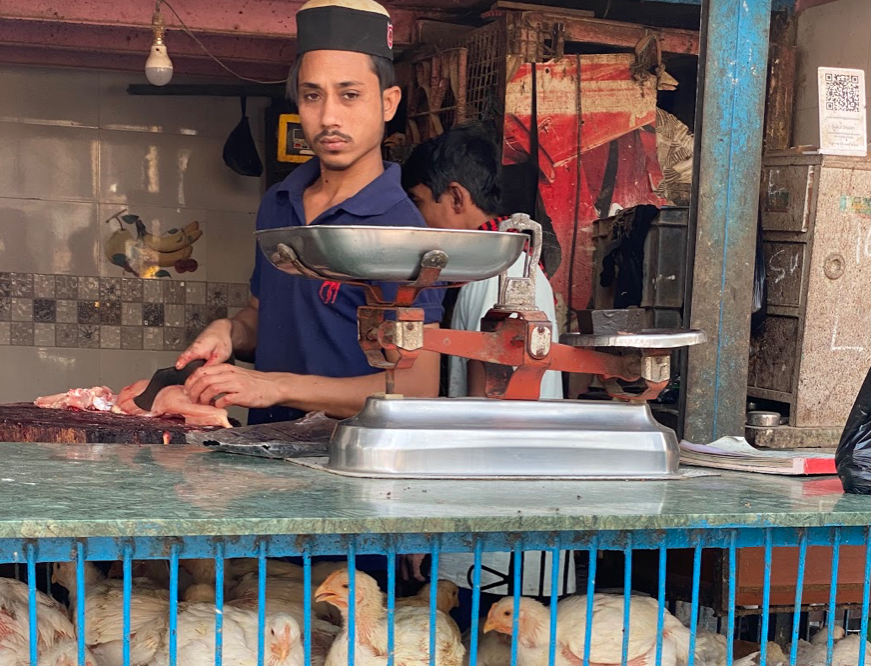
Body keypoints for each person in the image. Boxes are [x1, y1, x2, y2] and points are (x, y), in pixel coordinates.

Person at [176, 0, 444, 427]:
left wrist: (275, 387)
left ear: (389, 102)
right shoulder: (279, 203)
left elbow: (415, 389)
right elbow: (264, 316)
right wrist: (229, 331)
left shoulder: (403, 232)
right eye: (312, 95)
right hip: (265, 458)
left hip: (350, 471)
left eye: (350, 95)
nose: (329, 117)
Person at [400, 124, 575, 631]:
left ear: (455, 197)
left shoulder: (501, 280)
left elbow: (492, 418)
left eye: (419, 202)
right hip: (509, 531)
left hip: (498, 544)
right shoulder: (503, 269)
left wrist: (428, 528)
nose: (417, 219)